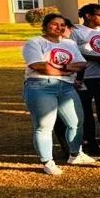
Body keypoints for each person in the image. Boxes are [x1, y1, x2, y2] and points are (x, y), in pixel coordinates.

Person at [21, 13, 96, 175]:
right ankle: (47, 161)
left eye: (62, 25)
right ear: (45, 25)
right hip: (40, 86)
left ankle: (75, 154)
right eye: (55, 24)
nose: (59, 28)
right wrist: (65, 70)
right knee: (44, 126)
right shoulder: (35, 42)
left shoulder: (69, 43)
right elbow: (38, 66)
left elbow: (82, 64)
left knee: (76, 122)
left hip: (67, 87)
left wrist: (59, 68)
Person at [71, 3, 100, 153]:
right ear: (88, 16)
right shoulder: (76, 31)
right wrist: (98, 59)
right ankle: (89, 140)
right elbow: (74, 52)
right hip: (85, 76)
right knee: (86, 110)